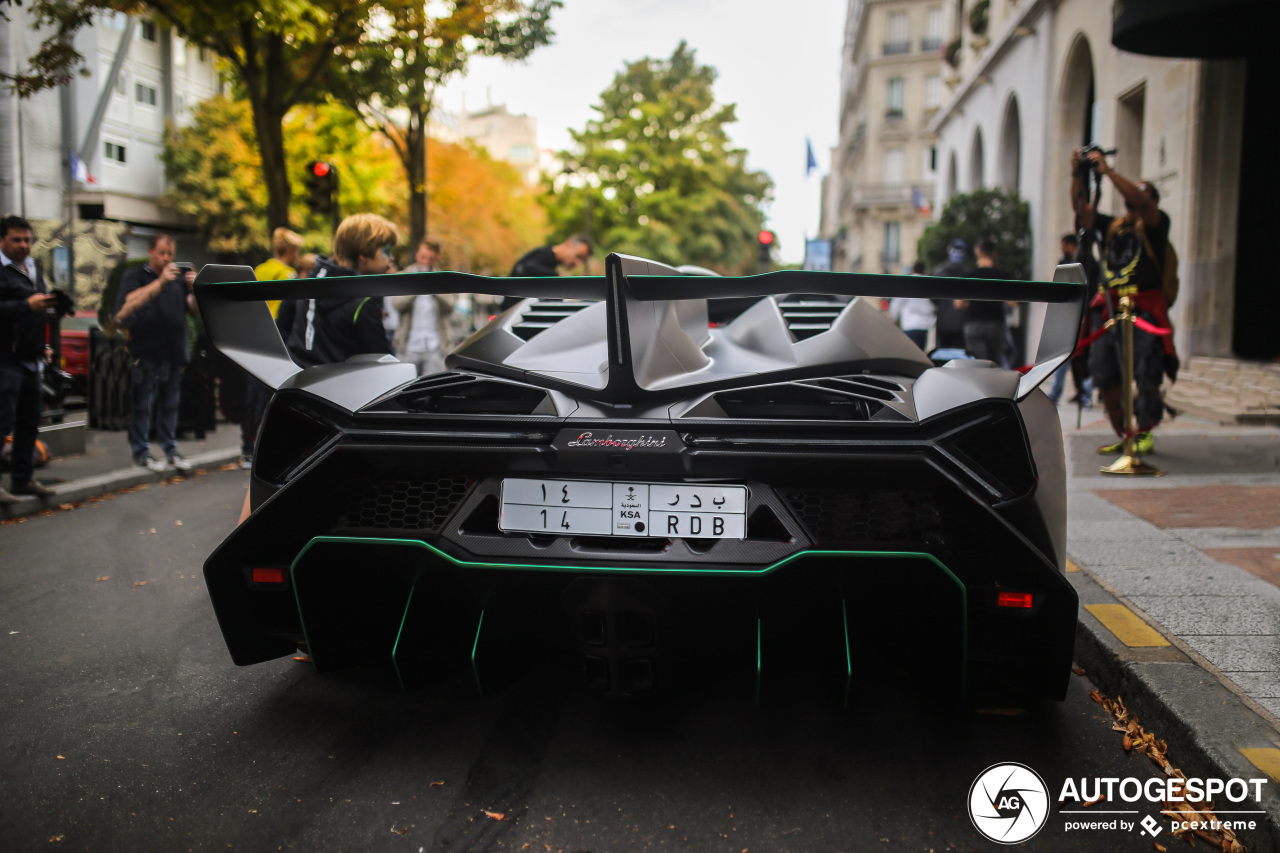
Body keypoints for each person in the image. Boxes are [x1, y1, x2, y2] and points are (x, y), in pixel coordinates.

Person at [1071, 147, 1174, 455]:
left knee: (1146, 373)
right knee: (1106, 375)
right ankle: (1126, 434)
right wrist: (1077, 173)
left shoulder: (1156, 223)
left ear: (1152, 200)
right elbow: (1081, 212)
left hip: (1143, 309)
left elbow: (1140, 201)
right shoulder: (1113, 226)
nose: (1133, 200)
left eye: (1142, 194)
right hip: (1112, 310)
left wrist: (1109, 172)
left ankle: (1144, 433)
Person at [114, 233, 197, 474]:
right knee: (143, 404)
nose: (166, 258)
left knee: (170, 404)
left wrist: (195, 288)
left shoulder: (178, 280)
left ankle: (170, 450)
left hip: (173, 350)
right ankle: (141, 452)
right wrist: (161, 281)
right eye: (161, 253)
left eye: (169, 254)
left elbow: (194, 309)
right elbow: (127, 303)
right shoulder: (135, 275)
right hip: (145, 351)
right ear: (150, 251)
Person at [284, 213, 398, 367]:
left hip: (296, 381)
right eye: (386, 251)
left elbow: (283, 332)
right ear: (364, 255)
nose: (391, 258)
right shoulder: (363, 303)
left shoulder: (308, 284)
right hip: (339, 387)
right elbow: (384, 363)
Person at [0, 215, 57, 503]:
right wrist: (25, 305)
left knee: (29, 421)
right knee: (3, 421)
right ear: (2, 240)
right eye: (16, 240)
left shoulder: (34, 267)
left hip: (32, 358)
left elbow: (37, 312)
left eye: (27, 240)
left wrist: (43, 344)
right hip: (6, 358)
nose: (23, 245)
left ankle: (22, 479)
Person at [241, 228, 303, 468]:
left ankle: (247, 449)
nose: (298, 255)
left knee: (253, 398)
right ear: (289, 251)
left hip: (254, 341)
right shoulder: (288, 274)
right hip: (277, 342)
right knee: (274, 399)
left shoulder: (259, 270)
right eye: (297, 251)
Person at [392, 240, 456, 376]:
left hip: (435, 346)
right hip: (408, 345)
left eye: (431, 259)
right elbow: (397, 305)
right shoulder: (404, 276)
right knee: (404, 386)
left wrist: (433, 286)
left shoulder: (443, 278)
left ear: (437, 258)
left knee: (434, 387)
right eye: (423, 257)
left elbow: (450, 307)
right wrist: (417, 286)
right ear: (416, 255)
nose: (426, 262)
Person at [954, 237, 1019, 365]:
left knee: (978, 364)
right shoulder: (1003, 276)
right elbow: (1012, 303)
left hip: (974, 324)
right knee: (994, 364)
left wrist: (970, 304)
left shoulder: (969, 276)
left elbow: (958, 304)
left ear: (977, 252)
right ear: (994, 253)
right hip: (996, 324)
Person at [500, 235, 592, 312]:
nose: (577, 263)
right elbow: (523, 269)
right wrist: (557, 276)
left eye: (582, 261)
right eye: (578, 256)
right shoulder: (544, 254)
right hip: (511, 314)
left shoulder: (549, 260)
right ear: (568, 244)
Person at [930, 238, 969, 350]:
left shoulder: (938, 271)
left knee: (943, 357)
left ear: (948, 251)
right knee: (960, 358)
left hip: (943, 322)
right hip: (962, 323)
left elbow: (933, 298)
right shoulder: (969, 273)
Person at [887, 260, 935, 350]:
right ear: (924, 271)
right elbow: (932, 306)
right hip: (923, 326)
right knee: (921, 353)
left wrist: (893, 318)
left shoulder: (907, 283)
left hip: (909, 326)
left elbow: (896, 304)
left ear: (912, 271)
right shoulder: (928, 284)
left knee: (911, 353)